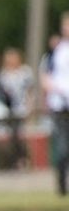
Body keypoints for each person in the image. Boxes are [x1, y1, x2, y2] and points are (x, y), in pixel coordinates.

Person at [41, 12, 69, 196]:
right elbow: (44, 75)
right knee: (62, 147)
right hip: (60, 106)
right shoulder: (55, 51)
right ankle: (61, 186)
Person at [0, 47, 34, 169]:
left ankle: (25, 160)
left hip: (22, 108)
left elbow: (29, 91)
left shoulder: (25, 72)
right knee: (13, 136)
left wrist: (29, 107)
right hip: (9, 109)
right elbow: (1, 93)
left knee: (22, 135)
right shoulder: (3, 74)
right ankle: (16, 161)